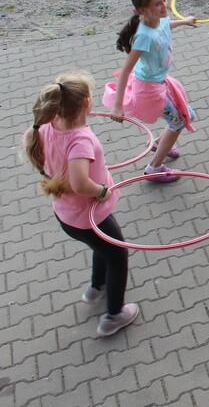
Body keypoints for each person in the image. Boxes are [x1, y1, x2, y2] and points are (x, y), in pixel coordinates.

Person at [24, 72, 139, 338]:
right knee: (118, 255)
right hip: (87, 215)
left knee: (102, 247)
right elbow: (79, 183)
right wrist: (101, 191)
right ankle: (113, 315)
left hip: (68, 215)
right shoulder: (80, 140)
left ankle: (96, 287)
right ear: (87, 103)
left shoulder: (46, 126)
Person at [105, 0, 198, 183]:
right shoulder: (143, 37)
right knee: (181, 120)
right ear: (141, 10)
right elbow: (126, 70)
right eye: (157, 4)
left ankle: (160, 143)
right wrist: (118, 106)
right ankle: (153, 168)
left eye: (164, 0)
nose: (164, 6)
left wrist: (185, 21)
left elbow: (166, 26)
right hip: (149, 90)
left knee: (182, 116)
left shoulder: (160, 19)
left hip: (161, 83)